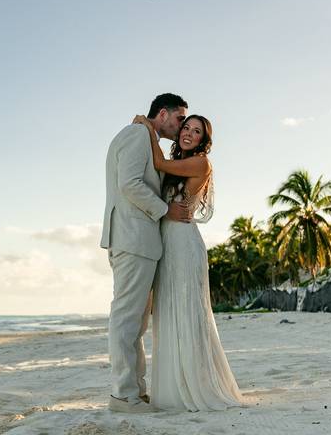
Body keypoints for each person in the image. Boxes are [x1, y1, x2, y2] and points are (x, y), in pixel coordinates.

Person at [132, 112, 245, 411]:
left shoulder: (200, 163)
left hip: (183, 244)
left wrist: (148, 128)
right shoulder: (180, 164)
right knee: (169, 312)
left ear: (203, 141)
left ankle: (195, 385)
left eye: (196, 132)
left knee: (186, 312)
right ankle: (173, 387)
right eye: (187, 128)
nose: (189, 134)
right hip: (168, 242)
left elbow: (158, 163)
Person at [100, 93, 193, 414]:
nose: (182, 125)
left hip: (139, 240)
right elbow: (130, 184)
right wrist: (165, 209)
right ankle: (123, 395)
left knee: (135, 323)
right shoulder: (137, 134)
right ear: (163, 114)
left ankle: (134, 392)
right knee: (126, 320)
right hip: (132, 237)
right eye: (180, 118)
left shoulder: (144, 135)